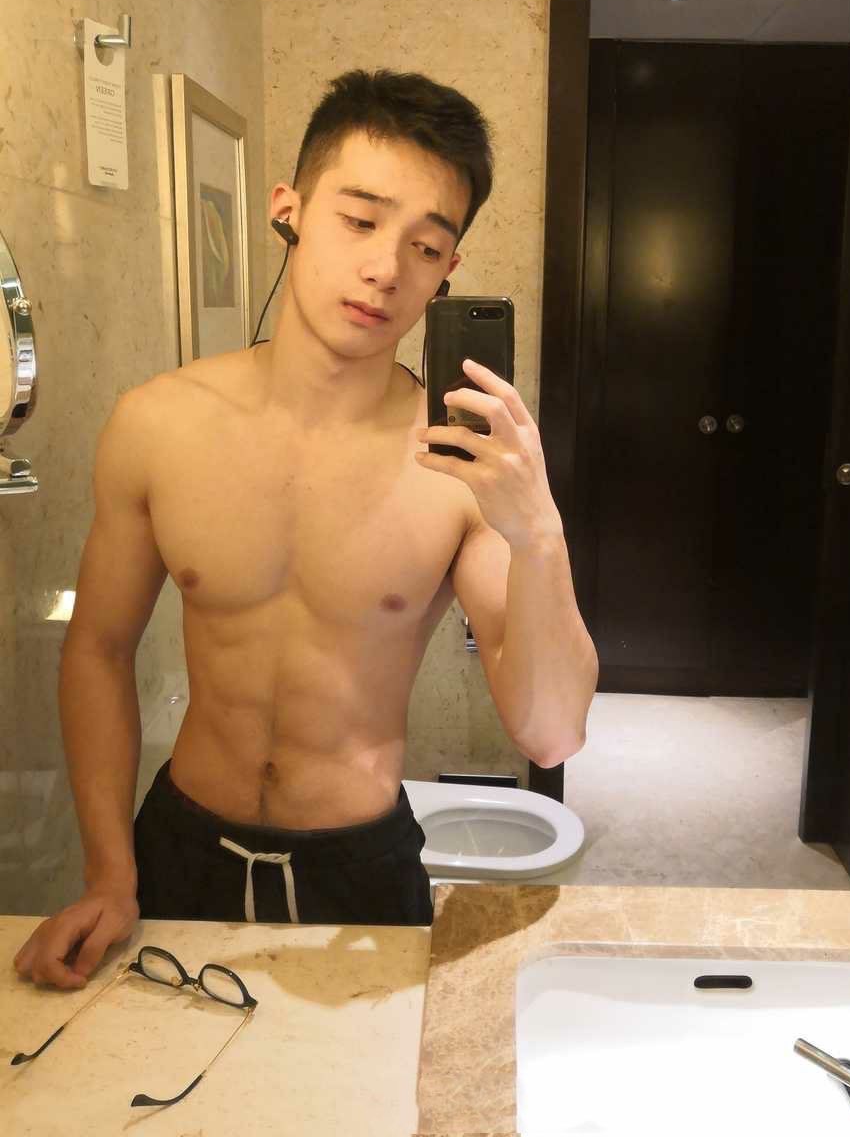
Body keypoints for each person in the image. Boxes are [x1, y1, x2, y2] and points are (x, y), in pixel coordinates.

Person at [13, 69, 598, 989]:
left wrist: (540, 535)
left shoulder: (458, 471)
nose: (385, 269)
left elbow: (552, 735)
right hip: (176, 850)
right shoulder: (158, 425)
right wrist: (107, 874)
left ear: (448, 270)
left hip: (360, 871)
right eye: (359, 220)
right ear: (288, 209)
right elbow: (98, 649)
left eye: (425, 246)